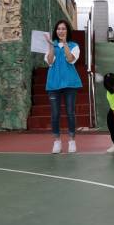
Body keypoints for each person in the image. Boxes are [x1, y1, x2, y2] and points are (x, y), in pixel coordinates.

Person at [44, 19, 82, 154]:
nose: (61, 31)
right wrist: (50, 46)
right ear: (56, 31)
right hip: (54, 83)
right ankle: (57, 141)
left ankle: (72, 140)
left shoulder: (74, 46)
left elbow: (70, 59)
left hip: (70, 83)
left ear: (67, 31)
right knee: (55, 114)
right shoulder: (51, 45)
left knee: (70, 113)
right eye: (59, 29)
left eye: (63, 29)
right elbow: (49, 61)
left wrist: (65, 43)